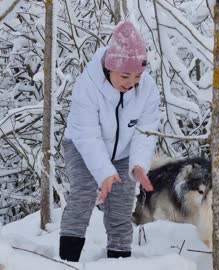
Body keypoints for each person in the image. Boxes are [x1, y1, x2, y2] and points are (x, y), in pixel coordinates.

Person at [59, 20, 161, 262]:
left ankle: (119, 261)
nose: (132, 82)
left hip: (124, 152)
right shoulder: (88, 85)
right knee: (83, 196)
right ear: (109, 67)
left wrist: (138, 164)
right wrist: (104, 172)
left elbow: (145, 130)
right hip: (82, 146)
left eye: (137, 75)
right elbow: (87, 135)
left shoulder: (147, 88)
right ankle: (66, 262)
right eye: (125, 75)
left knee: (121, 205)